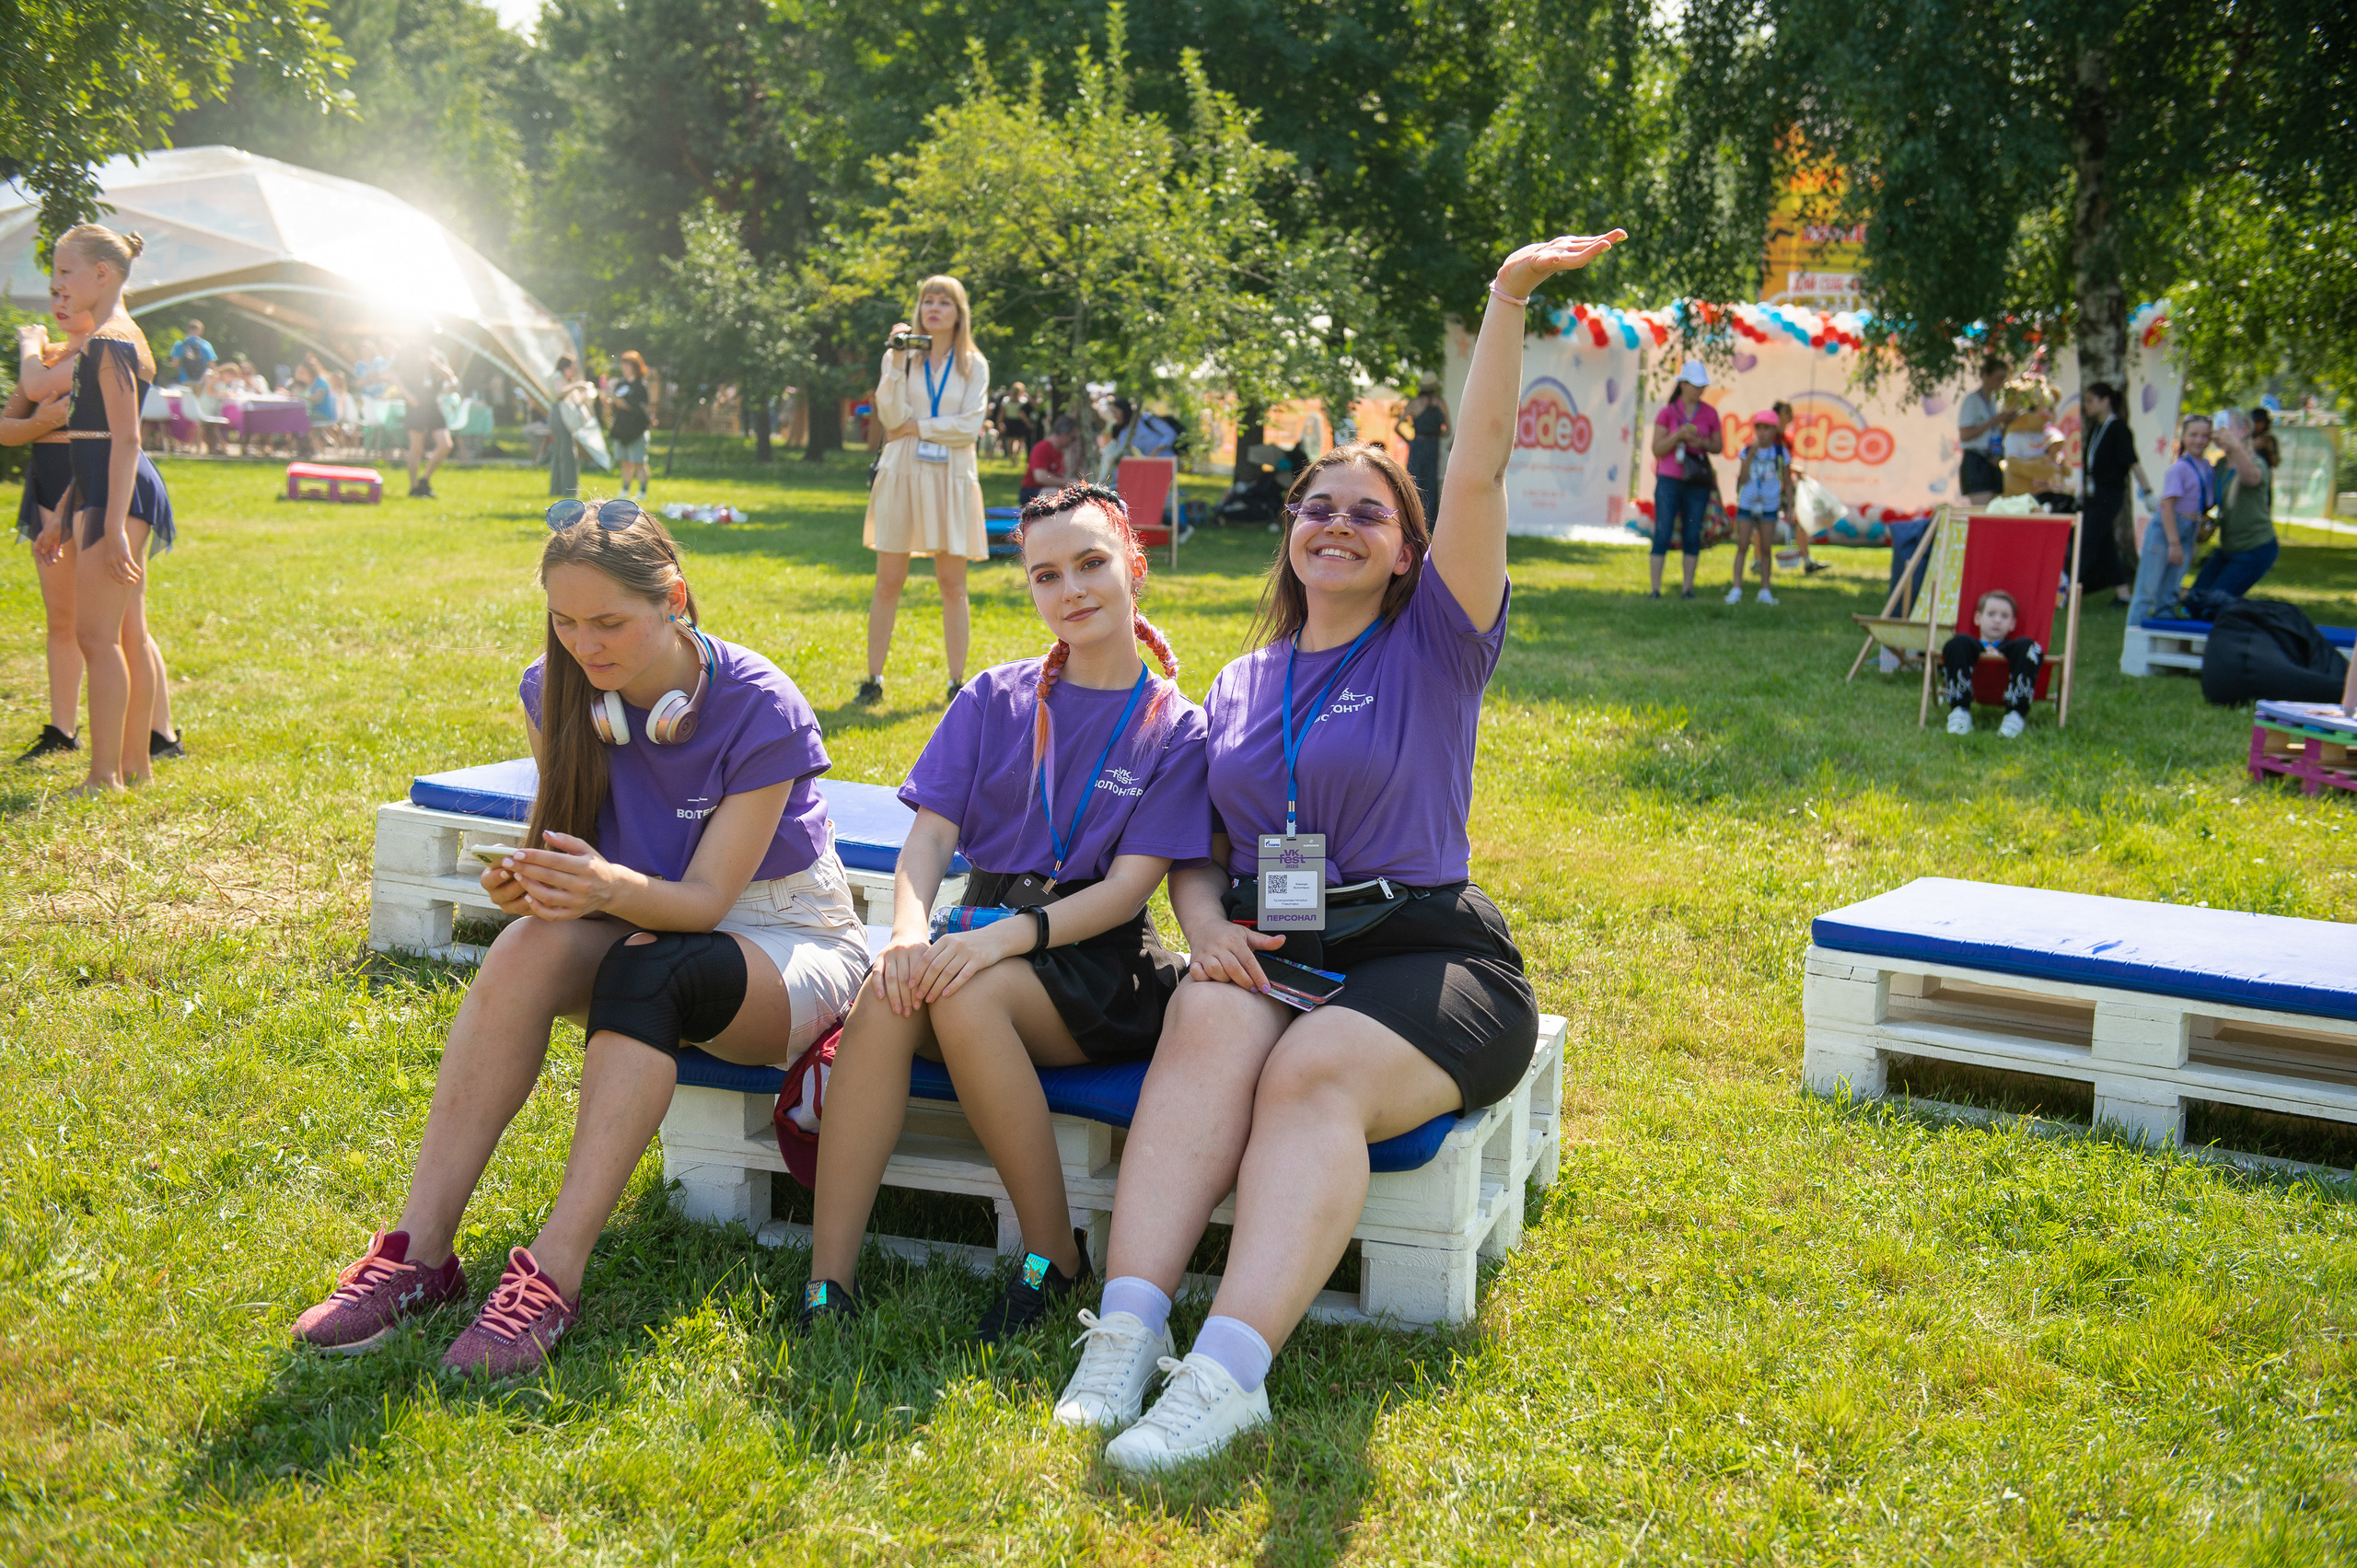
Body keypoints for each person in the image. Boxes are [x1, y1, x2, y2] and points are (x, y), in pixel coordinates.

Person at [1051, 231, 1618, 1472]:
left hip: (1429, 952)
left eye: (1370, 513)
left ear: (1408, 550)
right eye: (1318, 507)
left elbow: (1478, 468)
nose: (1339, 524)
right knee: (1208, 1013)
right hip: (1281, 939)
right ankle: (1127, 1330)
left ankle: (1227, 1375)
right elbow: (1195, 842)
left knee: (1311, 1070)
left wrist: (1506, 296)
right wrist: (1205, 924)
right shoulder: (1242, 679)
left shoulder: (1438, 642)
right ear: (1290, 534)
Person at [288, 503, 870, 1376]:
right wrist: (536, 888)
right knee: (523, 948)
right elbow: (583, 852)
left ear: (674, 598)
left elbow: (708, 900)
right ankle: (420, 1253)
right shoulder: (554, 688)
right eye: (564, 621)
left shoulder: (759, 703)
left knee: (653, 969)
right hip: (642, 919)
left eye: (609, 622)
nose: (584, 645)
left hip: (786, 935)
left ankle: (551, 1277)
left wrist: (601, 888)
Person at [803, 482, 1206, 1342]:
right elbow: (929, 837)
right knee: (889, 992)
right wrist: (906, 933)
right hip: (978, 925)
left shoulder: (1176, 727)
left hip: (1095, 956)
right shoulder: (994, 694)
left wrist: (1002, 944)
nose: (1072, 590)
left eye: (1092, 563)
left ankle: (1055, 1256)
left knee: (964, 994)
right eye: (1046, 574)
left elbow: (1126, 890)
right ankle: (827, 1280)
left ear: (1134, 566)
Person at [49, 225, 183, 796]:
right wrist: (63, 511)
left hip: (118, 495)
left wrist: (110, 523)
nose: (58, 284)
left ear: (101, 274)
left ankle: (104, 776)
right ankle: (134, 767)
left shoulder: (111, 339)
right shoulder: (110, 337)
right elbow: (92, 437)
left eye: (65, 271)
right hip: (104, 490)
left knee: (96, 637)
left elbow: (126, 439)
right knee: (127, 632)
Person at [859, 275, 989, 706]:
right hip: (902, 474)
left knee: (953, 584)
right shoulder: (900, 357)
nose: (934, 308)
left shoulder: (974, 364)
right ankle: (873, 679)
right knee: (887, 582)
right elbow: (890, 415)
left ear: (959, 312)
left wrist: (917, 427)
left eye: (944, 302)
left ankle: (956, 683)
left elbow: (969, 426)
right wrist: (895, 361)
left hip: (951, 478)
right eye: (928, 300)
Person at [2124, 412, 2214, 635]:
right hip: (2167, 529)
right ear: (2183, 437)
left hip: (2189, 530)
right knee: (2147, 590)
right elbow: (2167, 506)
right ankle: (2133, 640)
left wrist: (2191, 540)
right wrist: (2174, 543)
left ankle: (2161, 635)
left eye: (2205, 435)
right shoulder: (2179, 468)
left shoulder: (2207, 467)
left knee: (2170, 591)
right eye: (2193, 435)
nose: (2199, 440)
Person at [2180, 409, 2275, 609]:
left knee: (2211, 606)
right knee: (2194, 603)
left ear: (2243, 430)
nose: (2219, 432)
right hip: (2228, 548)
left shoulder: (2257, 462)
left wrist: (2235, 445)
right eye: (2217, 427)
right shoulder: (2221, 464)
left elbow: (2250, 479)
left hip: (2255, 549)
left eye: (2226, 427)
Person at [1648, 359, 1721, 598]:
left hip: (1696, 481)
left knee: (1692, 532)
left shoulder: (1710, 413)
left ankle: (1687, 588)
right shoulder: (1667, 412)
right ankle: (1655, 589)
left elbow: (1718, 446)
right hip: (1669, 479)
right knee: (1663, 531)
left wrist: (1702, 443)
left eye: (1702, 385)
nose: (1699, 390)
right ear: (1683, 385)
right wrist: (1677, 436)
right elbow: (1657, 449)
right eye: (1695, 385)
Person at [2077, 381, 2147, 604]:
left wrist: (2147, 491)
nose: (2087, 405)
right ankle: (2123, 594)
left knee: (2087, 542)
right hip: (2093, 494)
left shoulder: (2118, 428)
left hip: (2109, 495)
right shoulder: (2096, 428)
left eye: (2091, 401)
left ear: (2105, 401)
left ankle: (2063, 590)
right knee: (2104, 545)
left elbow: (2132, 462)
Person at [1942, 588, 2040, 738]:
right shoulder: (1966, 645)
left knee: (2030, 647)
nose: (1997, 620)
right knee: (1957, 642)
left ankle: (2015, 715)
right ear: (1978, 618)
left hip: (2009, 654)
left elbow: (2030, 650)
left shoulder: (2018, 648)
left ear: (2012, 624)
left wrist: (2000, 654)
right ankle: (1960, 711)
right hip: (1973, 652)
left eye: (2004, 616)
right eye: (1991, 614)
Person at [1725, 409, 1791, 605]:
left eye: (1767, 428)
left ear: (1774, 430)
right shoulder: (1747, 450)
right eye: (1759, 428)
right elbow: (1743, 478)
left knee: (1765, 548)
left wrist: (1790, 507)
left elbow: (1787, 482)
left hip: (1769, 504)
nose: (1762, 433)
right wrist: (1750, 456)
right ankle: (1736, 588)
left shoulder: (1780, 453)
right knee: (1742, 545)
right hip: (1747, 502)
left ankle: (1765, 590)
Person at [394, 337, 455, 498]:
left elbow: (450, 376)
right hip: (415, 403)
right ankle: (414, 487)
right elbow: (394, 374)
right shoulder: (407, 353)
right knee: (416, 447)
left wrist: (435, 363)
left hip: (433, 402)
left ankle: (425, 479)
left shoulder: (437, 355)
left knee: (446, 444)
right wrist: (407, 395)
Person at [1395, 373, 1450, 528]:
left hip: (1417, 446)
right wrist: (1434, 436)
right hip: (1433, 447)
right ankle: (1430, 525)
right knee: (1431, 485)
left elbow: (1397, 426)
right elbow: (1448, 431)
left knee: (1414, 482)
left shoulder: (1414, 403)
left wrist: (1410, 441)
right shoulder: (1441, 403)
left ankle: (1413, 522)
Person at [1956, 355, 2011, 505]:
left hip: (1993, 459)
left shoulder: (1994, 401)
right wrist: (1994, 421)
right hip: (1976, 461)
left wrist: (2006, 423)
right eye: (1998, 378)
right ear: (1985, 376)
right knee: (1982, 510)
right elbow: (1965, 435)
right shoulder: (1972, 400)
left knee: (1996, 510)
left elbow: (1994, 433)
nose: (2001, 383)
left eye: (2003, 379)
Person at [606, 350, 655, 499]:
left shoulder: (641, 386)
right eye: (623, 365)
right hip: (622, 428)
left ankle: (642, 492)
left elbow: (643, 408)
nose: (625, 368)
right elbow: (615, 405)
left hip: (636, 429)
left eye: (628, 365)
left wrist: (625, 405)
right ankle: (625, 489)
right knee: (625, 462)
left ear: (636, 366)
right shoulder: (620, 384)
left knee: (639, 461)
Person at [546, 356, 596, 500]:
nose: (573, 372)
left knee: (559, 453)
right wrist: (577, 385)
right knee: (568, 453)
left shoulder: (562, 378)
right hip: (560, 415)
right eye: (572, 368)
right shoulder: (558, 376)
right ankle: (569, 490)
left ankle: (557, 489)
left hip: (560, 415)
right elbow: (559, 393)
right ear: (565, 367)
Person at [1022, 413, 1076, 505]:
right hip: (1031, 492)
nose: (1073, 442)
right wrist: (1068, 482)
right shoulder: (1042, 448)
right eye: (1072, 438)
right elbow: (1040, 477)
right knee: (1061, 495)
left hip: (1045, 491)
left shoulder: (1059, 451)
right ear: (1063, 435)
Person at [168, 319, 215, 388]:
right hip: (202, 382)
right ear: (201, 331)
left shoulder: (180, 344)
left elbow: (175, 364)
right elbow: (212, 365)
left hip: (185, 380)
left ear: (187, 329)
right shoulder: (206, 345)